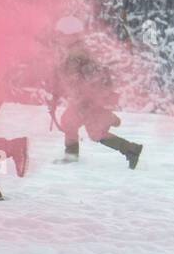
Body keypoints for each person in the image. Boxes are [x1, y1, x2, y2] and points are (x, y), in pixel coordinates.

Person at [48, 16, 143, 168]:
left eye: (61, 35)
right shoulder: (74, 51)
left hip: (88, 100)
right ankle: (130, 148)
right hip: (87, 99)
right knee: (93, 131)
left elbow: (83, 79)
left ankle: (73, 156)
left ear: (70, 35)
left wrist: (85, 99)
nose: (59, 38)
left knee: (74, 123)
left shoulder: (77, 53)